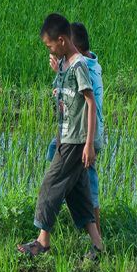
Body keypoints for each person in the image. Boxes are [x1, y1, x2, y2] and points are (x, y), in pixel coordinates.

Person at [17, 13, 104, 260]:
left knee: (50, 186)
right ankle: (97, 245)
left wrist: (88, 143)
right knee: (78, 193)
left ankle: (43, 241)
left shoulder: (79, 65)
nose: (50, 49)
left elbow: (90, 103)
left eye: (50, 45)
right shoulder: (68, 65)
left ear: (63, 40)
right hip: (68, 137)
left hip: (76, 141)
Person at [47, 22, 104, 236]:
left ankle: (96, 235)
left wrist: (88, 144)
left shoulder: (83, 68)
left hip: (83, 135)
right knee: (71, 174)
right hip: (74, 134)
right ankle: (90, 232)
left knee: (87, 184)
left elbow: (89, 106)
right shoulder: (87, 64)